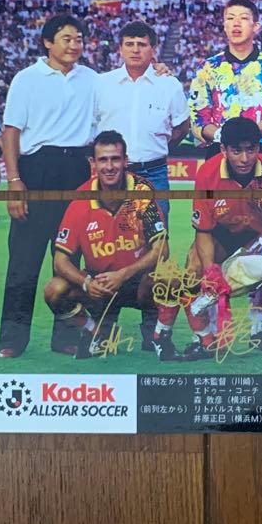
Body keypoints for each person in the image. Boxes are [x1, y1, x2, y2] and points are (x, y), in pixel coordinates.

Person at [0, 13, 98, 358]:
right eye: (66, 39)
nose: (74, 45)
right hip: (36, 169)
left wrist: (159, 70)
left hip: (77, 171)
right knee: (23, 262)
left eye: (79, 39)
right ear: (48, 42)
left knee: (69, 260)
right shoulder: (26, 79)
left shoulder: (92, 79)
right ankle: (12, 340)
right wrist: (14, 181)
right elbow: (11, 131)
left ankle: (65, 337)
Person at [153, 117, 262, 360]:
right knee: (193, 269)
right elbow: (203, 230)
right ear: (223, 150)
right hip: (223, 233)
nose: (244, 158)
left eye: (251, 150)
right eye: (236, 151)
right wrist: (211, 272)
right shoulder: (207, 173)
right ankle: (196, 338)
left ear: (258, 148)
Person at [43, 131, 167, 360]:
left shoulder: (141, 192)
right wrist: (87, 283)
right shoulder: (81, 198)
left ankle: (154, 333)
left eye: (115, 159)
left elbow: (162, 249)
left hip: (137, 282)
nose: (109, 167)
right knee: (54, 289)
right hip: (100, 286)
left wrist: (123, 274)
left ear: (125, 160)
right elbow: (60, 260)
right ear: (93, 163)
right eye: (103, 160)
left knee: (167, 279)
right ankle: (96, 331)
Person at [93, 20, 190, 211]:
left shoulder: (169, 85)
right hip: (110, 174)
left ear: (153, 49)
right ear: (120, 49)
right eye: (129, 44)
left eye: (142, 44)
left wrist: (157, 147)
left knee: (157, 229)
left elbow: (182, 127)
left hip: (154, 173)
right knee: (108, 229)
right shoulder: (101, 83)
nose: (135, 50)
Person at [188, 0, 262, 158]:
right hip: (218, 152)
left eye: (244, 18)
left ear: (256, 26)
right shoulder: (207, 68)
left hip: (261, 150)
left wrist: (251, 132)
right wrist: (224, 136)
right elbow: (198, 118)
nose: (236, 23)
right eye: (230, 18)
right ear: (224, 25)